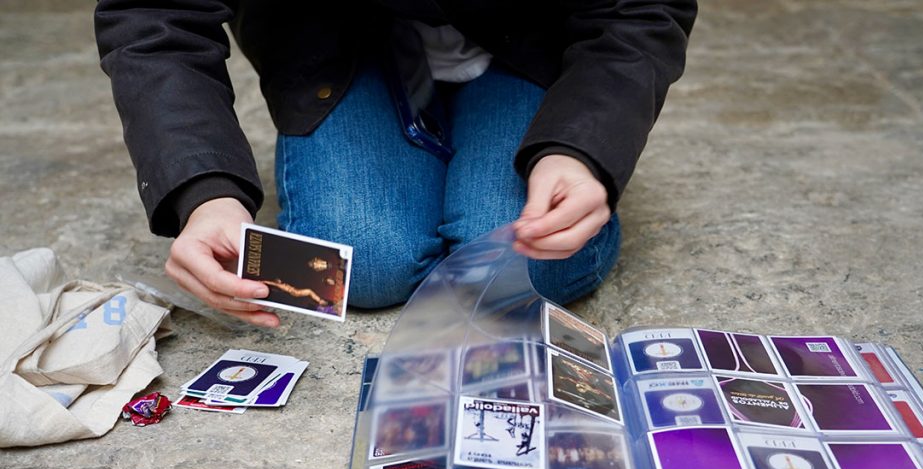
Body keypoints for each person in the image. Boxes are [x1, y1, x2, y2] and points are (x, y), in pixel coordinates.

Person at [95, 2, 698, 328]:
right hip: (338, 48)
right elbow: (154, 18)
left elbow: (639, 10)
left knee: (515, 269)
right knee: (361, 267)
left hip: (529, 44)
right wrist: (204, 192)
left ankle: (517, 142)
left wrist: (582, 147)